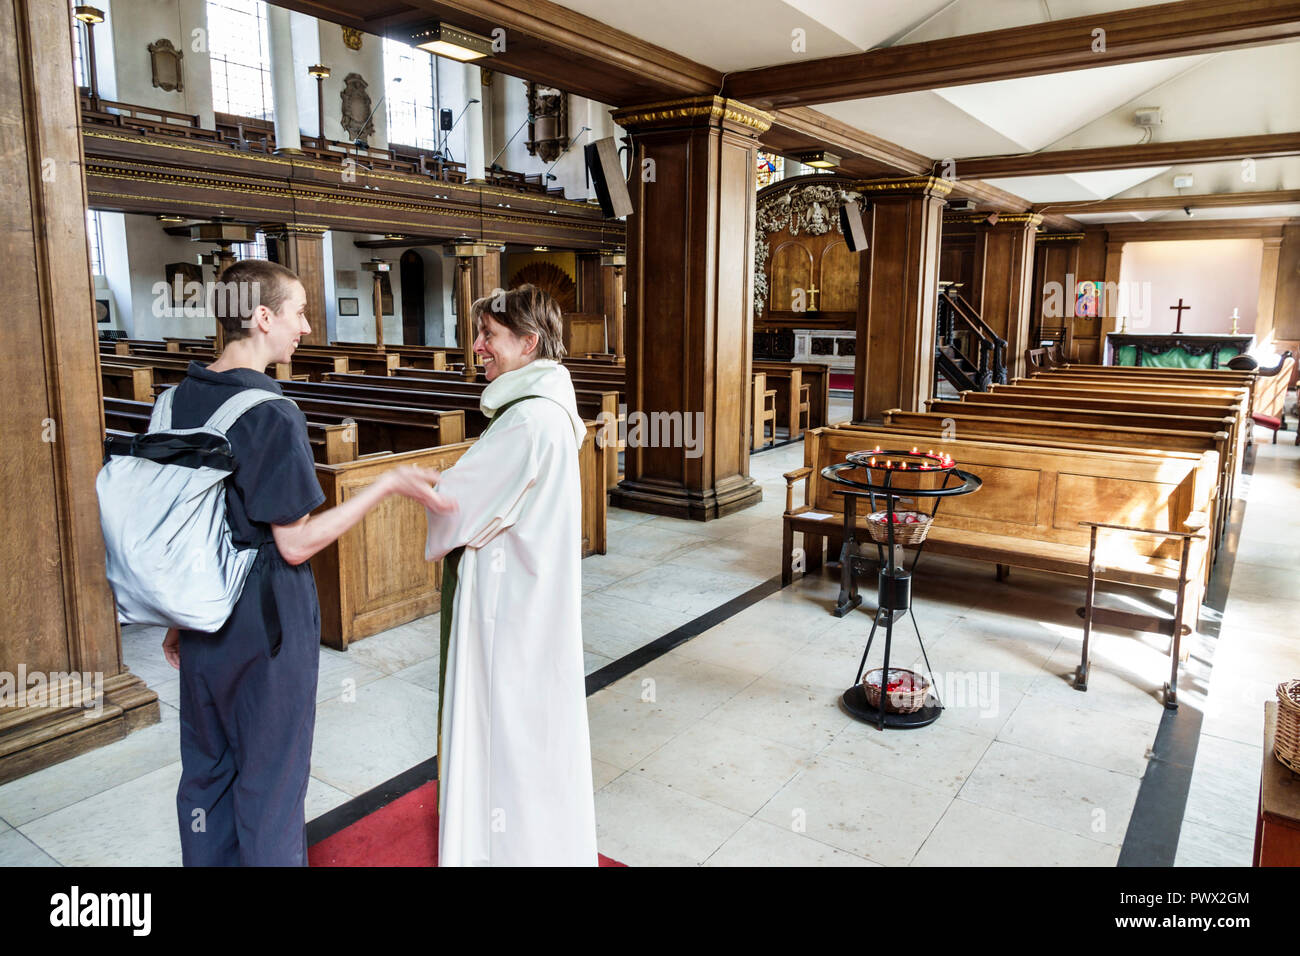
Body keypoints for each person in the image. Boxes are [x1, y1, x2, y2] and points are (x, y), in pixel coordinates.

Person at [161, 259, 453, 866]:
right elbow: (294, 543)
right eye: (297, 311)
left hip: (196, 608)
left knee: (207, 770)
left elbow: (180, 520)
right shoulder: (270, 411)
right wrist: (386, 483)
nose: (305, 326)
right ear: (263, 317)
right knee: (271, 776)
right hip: (263, 614)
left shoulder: (174, 400)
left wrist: (176, 613)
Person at [424, 284, 598, 866]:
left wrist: (429, 484)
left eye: (489, 336)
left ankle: (499, 850)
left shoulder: (527, 421)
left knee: (506, 728)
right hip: (530, 591)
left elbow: (454, 508)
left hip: (508, 602)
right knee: (532, 727)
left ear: (529, 342)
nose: (477, 347)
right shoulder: (547, 407)